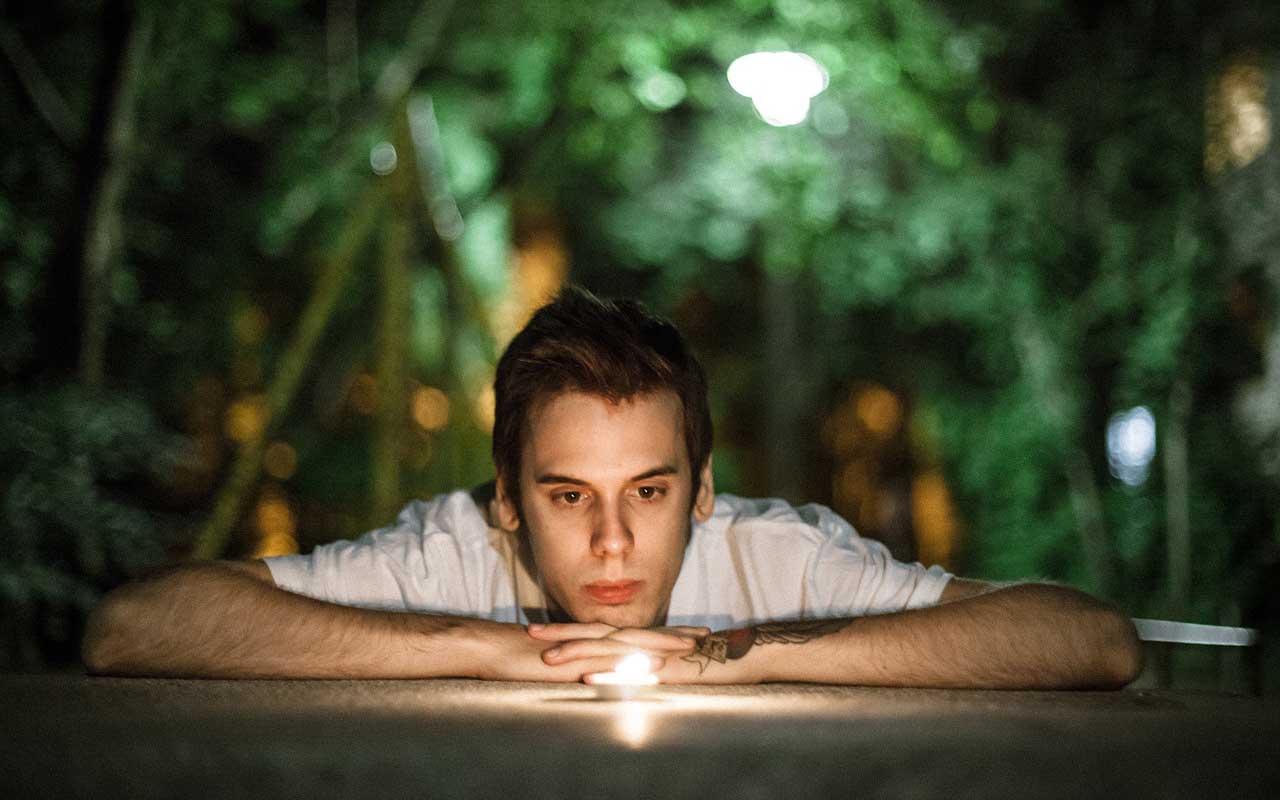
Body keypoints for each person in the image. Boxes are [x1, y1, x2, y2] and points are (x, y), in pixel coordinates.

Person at [82, 288, 1143, 688]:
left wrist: (738, 659)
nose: (610, 544)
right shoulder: (452, 549)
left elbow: (1090, 639)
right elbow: (132, 626)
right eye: (564, 494)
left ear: (700, 491)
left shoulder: (777, 554)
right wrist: (482, 645)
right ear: (505, 497)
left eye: (645, 489)